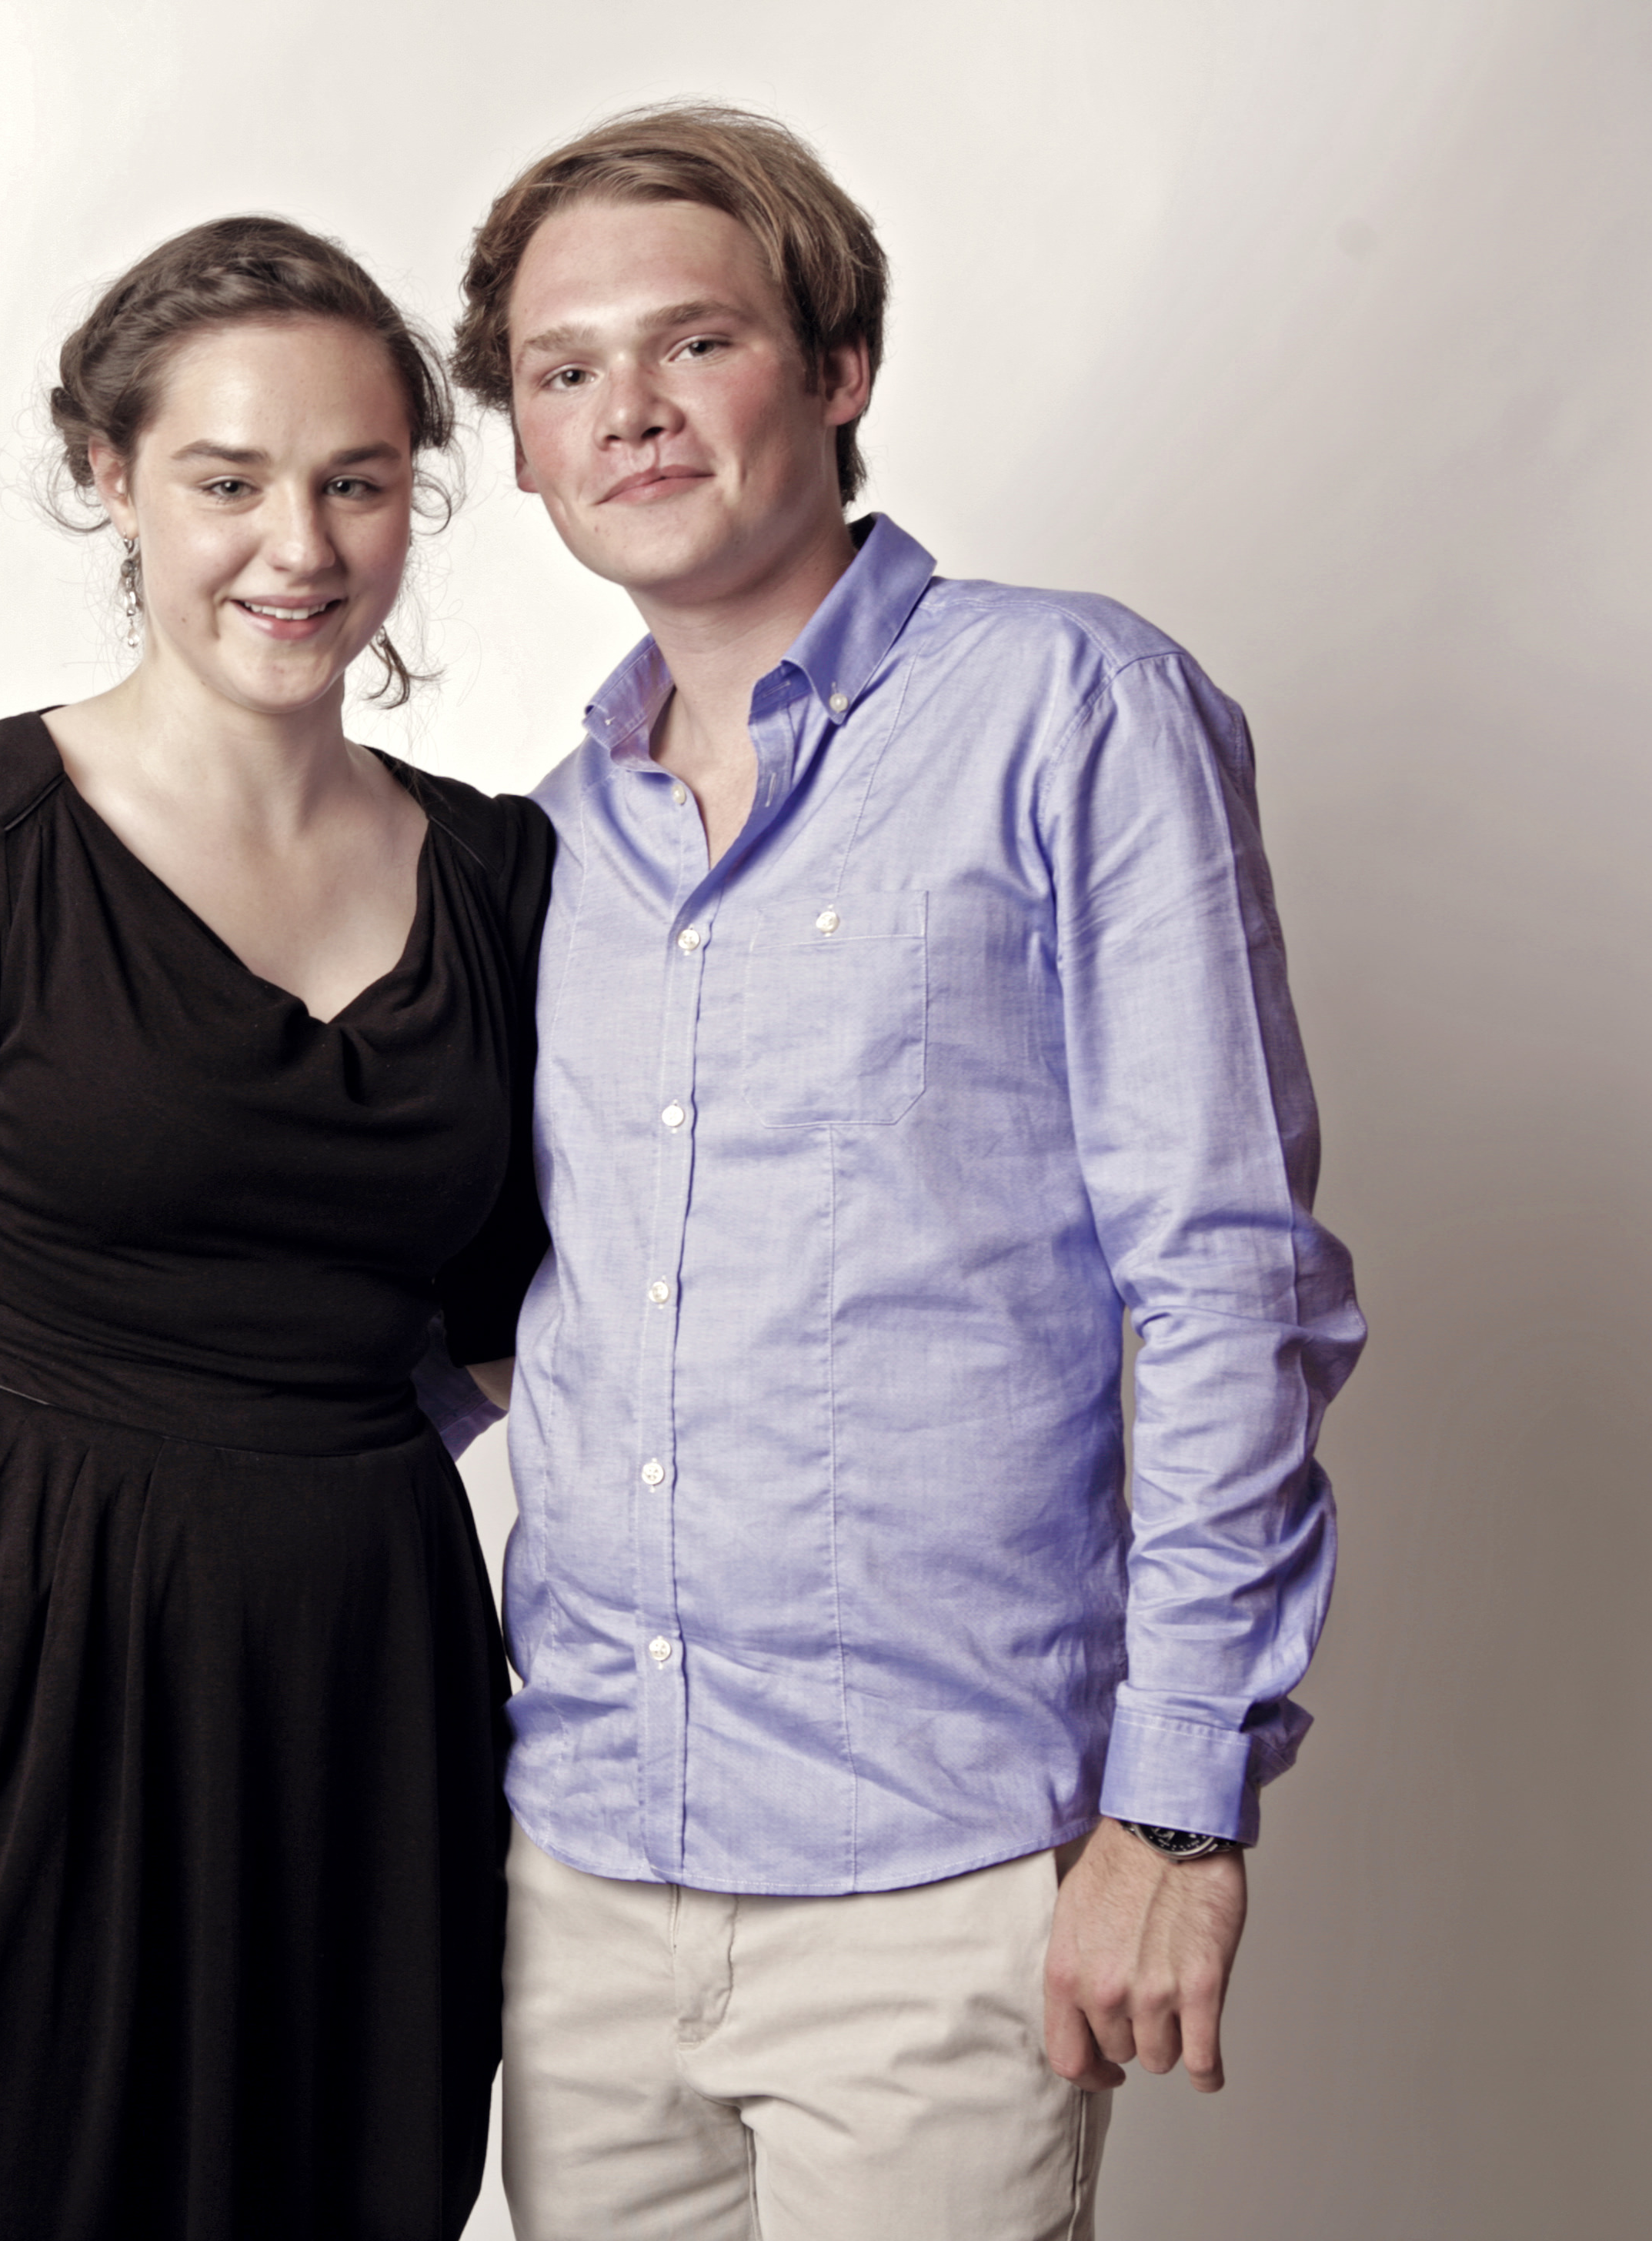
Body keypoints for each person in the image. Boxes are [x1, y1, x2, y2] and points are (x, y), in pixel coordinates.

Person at [437, 103, 1365, 2238]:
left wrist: (1180, 1811)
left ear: (838, 370)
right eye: (566, 370)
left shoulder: (1071, 707)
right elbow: (513, 1322)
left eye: (695, 342)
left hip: (940, 1883)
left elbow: (1227, 1280)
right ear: (527, 446)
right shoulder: (543, 847)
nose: (629, 410)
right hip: (579, 1873)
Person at [0, 216, 551, 2240]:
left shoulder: (499, 875)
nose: (299, 547)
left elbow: (517, 1317)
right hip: (34, 1675)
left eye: (356, 483)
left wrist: (295, 1468)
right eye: (228, 480)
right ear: (112, 477)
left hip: (370, 1689)